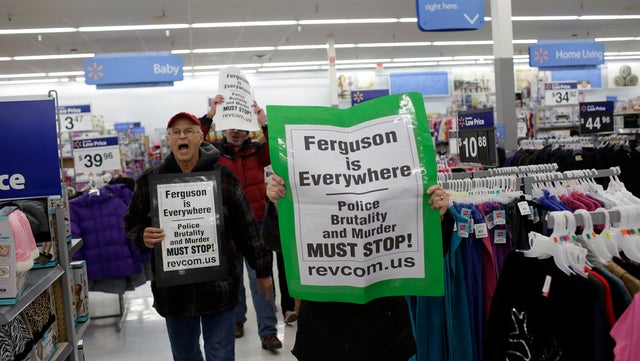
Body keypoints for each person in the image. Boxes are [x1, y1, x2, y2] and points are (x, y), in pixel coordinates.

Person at [123, 112, 274, 361]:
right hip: (175, 293)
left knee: (221, 355)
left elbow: (246, 228)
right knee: (185, 355)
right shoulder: (150, 181)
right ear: (169, 140)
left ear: (200, 137)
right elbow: (130, 222)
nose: (182, 136)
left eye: (189, 131)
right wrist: (142, 234)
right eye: (175, 132)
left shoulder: (224, 179)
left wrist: (263, 270)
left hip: (220, 288)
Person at [265, 174, 452, 361]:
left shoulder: (396, 178)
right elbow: (274, 242)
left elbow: (433, 253)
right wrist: (277, 207)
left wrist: (438, 218)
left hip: (385, 333)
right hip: (322, 333)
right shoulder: (307, 178)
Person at [200, 94, 284, 350]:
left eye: (240, 126)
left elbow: (277, 154)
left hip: (257, 225)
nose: (235, 131)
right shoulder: (213, 153)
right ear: (223, 128)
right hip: (226, 228)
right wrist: (209, 116)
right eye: (231, 125)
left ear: (248, 128)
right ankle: (237, 321)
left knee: (262, 279)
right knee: (232, 279)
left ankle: (268, 331)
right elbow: (193, 146)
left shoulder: (258, 152)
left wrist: (265, 123)